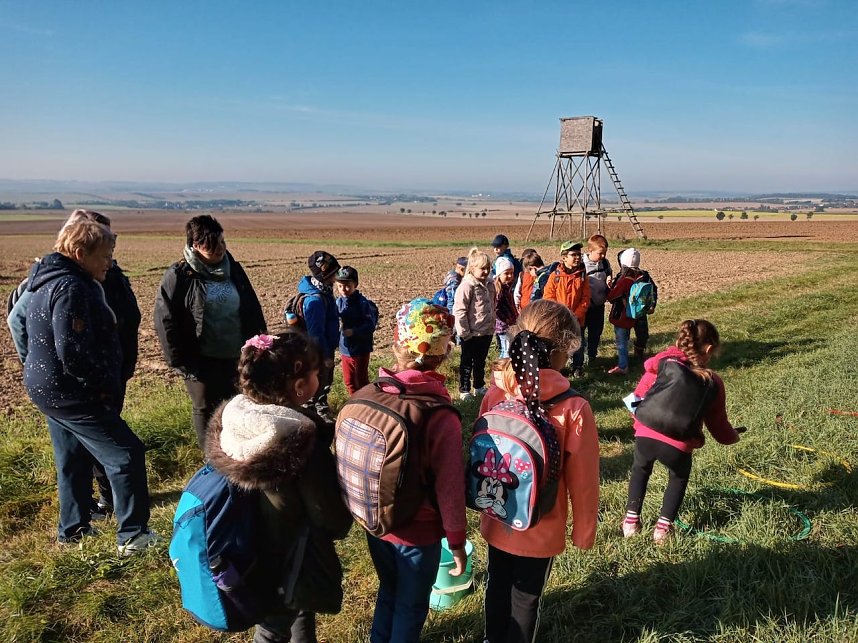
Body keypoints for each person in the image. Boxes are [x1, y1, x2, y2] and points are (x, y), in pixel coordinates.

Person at [206, 330, 353, 643]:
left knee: (291, 614)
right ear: (300, 385)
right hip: (288, 554)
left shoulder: (236, 420)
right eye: (317, 373)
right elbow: (330, 517)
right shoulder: (300, 443)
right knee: (273, 628)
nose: (320, 378)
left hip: (248, 548)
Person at [23, 219, 156, 554]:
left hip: (48, 389)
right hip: (72, 392)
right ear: (81, 253)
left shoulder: (44, 279)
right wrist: (101, 385)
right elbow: (73, 352)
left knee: (72, 458)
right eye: (105, 256)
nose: (109, 263)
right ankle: (134, 537)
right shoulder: (72, 287)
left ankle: (73, 531)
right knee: (125, 453)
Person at [479, 299, 600, 643]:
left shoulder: (498, 391)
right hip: (541, 523)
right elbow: (584, 481)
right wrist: (584, 532)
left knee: (497, 582)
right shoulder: (573, 407)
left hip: (497, 510)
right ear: (563, 351)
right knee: (527, 596)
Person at [364, 298, 467, 643]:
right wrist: (456, 541)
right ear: (443, 353)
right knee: (411, 607)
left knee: (388, 591)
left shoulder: (372, 394)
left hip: (376, 523)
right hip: (418, 533)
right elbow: (450, 488)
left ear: (397, 344)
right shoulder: (439, 415)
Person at [623, 319, 742, 544]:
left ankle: (630, 523)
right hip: (678, 445)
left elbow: (638, 396)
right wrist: (732, 437)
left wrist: (640, 425)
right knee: (678, 478)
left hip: (645, 435)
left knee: (640, 470)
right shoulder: (712, 382)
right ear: (708, 349)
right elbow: (719, 426)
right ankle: (662, 530)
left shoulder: (663, 364)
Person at [155, 215, 266, 449]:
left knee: (237, 404)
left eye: (222, 242)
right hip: (200, 360)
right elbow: (166, 319)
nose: (219, 249)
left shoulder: (233, 269)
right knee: (205, 408)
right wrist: (179, 360)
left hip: (236, 355)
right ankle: (210, 456)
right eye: (211, 245)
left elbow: (251, 307)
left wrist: (259, 342)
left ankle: (234, 452)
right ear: (195, 245)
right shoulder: (180, 275)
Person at [296, 251, 341, 421]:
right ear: (325, 275)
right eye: (334, 273)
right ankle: (314, 417)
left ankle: (318, 412)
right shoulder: (315, 301)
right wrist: (325, 356)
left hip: (324, 348)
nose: (336, 276)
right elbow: (316, 334)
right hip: (319, 352)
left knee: (322, 382)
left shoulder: (324, 291)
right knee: (319, 382)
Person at [453, 247, 496, 400]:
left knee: (480, 361)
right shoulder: (467, 286)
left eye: (488, 268)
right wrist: (464, 333)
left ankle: (479, 386)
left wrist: (492, 325)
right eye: (482, 269)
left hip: (486, 331)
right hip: (470, 333)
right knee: (467, 362)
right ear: (472, 268)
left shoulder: (490, 284)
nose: (486, 271)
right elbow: (460, 311)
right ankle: (464, 390)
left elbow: (492, 305)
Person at [606, 247, 658, 375]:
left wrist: (610, 287)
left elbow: (612, 297)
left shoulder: (623, 279)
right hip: (640, 313)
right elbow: (653, 290)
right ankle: (639, 352)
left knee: (622, 342)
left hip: (622, 315)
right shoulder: (644, 276)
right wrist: (652, 305)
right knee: (642, 335)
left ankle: (623, 366)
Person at [543, 241, 590, 374]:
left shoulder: (583, 276)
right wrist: (560, 314)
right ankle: (558, 368)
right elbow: (549, 297)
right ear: (564, 257)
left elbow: (586, 298)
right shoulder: (555, 276)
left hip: (577, 319)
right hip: (559, 319)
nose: (577, 257)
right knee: (559, 344)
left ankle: (577, 367)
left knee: (578, 344)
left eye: (579, 255)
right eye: (573, 255)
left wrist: (576, 315)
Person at [334, 265, 378, 395]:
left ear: (356, 285)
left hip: (361, 348)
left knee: (361, 381)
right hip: (345, 349)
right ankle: (354, 401)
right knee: (349, 381)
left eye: (347, 286)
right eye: (340, 286)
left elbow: (370, 326)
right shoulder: (338, 302)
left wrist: (354, 332)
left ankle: (367, 401)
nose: (343, 289)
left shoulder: (362, 303)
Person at [578, 234, 613, 375]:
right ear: (590, 250)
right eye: (600, 253)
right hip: (584, 307)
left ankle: (592, 356)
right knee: (580, 334)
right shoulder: (581, 264)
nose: (603, 256)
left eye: (605, 253)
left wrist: (609, 280)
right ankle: (578, 361)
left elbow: (609, 273)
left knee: (596, 332)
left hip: (599, 306)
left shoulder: (605, 263)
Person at [493, 256, 518, 359]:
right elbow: (496, 309)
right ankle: (504, 365)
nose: (510, 276)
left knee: (506, 348)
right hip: (503, 326)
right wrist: (506, 319)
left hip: (509, 324)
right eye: (506, 273)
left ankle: (502, 364)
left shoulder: (508, 287)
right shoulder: (498, 290)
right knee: (507, 349)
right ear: (499, 274)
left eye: (511, 273)